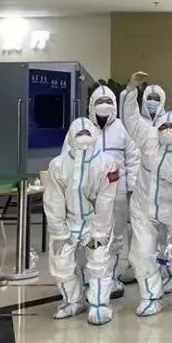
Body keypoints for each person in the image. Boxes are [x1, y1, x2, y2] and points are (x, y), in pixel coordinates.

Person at [122, 72, 172, 316]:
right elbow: (130, 118)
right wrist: (131, 89)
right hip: (143, 206)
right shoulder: (149, 138)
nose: (167, 130)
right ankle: (150, 297)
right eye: (163, 126)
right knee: (142, 254)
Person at [61, 85, 140, 293]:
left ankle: (110, 279)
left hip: (117, 193)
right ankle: (90, 277)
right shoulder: (82, 128)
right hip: (87, 195)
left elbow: (133, 159)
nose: (104, 106)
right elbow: (66, 158)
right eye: (99, 102)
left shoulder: (122, 129)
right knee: (87, 236)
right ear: (91, 105)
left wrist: (132, 189)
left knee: (115, 237)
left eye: (108, 102)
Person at [45, 118, 120, 325]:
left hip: (94, 224)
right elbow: (53, 199)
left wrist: (100, 232)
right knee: (60, 263)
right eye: (79, 134)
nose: (84, 139)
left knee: (99, 262)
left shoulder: (107, 163)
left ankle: (99, 305)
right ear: (70, 137)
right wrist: (59, 231)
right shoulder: (58, 165)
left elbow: (106, 199)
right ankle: (72, 301)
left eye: (88, 134)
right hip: (69, 223)